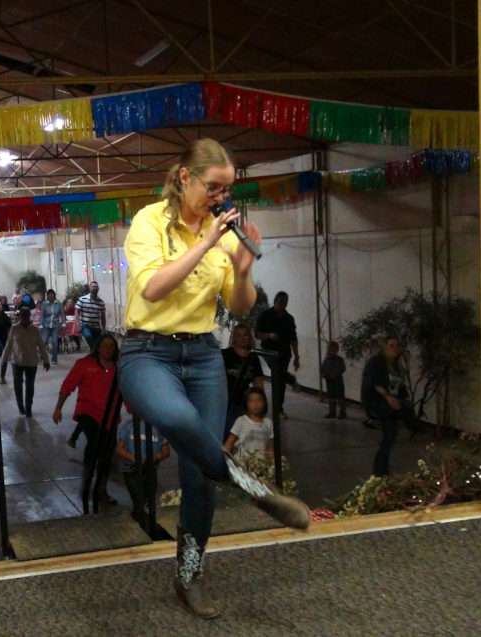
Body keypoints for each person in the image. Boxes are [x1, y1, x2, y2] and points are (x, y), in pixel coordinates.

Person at [118, 138, 309, 619]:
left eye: (227, 188)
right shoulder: (149, 221)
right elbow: (155, 289)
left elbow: (241, 308)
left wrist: (243, 270)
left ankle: (189, 577)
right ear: (185, 178)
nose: (220, 196)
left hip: (203, 354)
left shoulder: (227, 235)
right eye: (213, 186)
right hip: (147, 352)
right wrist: (206, 240)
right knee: (180, 420)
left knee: (198, 477)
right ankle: (253, 488)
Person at [52, 333, 120, 512]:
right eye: (104, 345)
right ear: (98, 347)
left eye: (111, 346)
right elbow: (68, 386)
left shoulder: (119, 368)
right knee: (94, 445)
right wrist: (58, 407)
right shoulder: (84, 364)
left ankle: (101, 489)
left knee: (108, 453)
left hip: (111, 416)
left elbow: (126, 392)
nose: (108, 349)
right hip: (88, 413)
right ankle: (87, 483)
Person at [362, 336, 416, 476]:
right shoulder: (376, 362)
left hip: (391, 404)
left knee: (390, 436)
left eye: (397, 346)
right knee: (391, 433)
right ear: (384, 347)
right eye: (391, 345)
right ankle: (380, 471)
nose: (395, 348)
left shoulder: (396, 365)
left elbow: (400, 386)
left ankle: (380, 470)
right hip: (379, 402)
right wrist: (388, 397)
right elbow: (375, 383)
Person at [116, 419, 170, 525]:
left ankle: (141, 520)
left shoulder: (159, 428)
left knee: (148, 497)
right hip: (131, 469)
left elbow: (166, 451)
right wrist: (133, 458)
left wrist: (154, 457)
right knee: (138, 498)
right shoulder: (128, 426)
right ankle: (140, 521)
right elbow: (119, 448)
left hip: (150, 469)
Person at [256, 291, 300, 418]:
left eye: (285, 303)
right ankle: (290, 380)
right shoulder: (265, 315)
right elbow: (257, 334)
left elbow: (293, 339)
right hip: (269, 351)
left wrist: (297, 356)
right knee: (278, 374)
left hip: (284, 352)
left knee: (279, 379)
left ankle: (279, 408)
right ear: (276, 301)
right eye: (280, 302)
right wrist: (269, 335)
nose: (283, 305)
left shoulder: (289, 318)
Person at [1, 308, 50, 417]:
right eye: (22, 316)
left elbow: (41, 346)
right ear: (19, 317)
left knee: (30, 386)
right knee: (18, 386)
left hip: (31, 362)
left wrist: (46, 360)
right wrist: (3, 361)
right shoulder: (14, 329)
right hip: (17, 362)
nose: (24, 318)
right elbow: (8, 346)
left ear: (29, 316)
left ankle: (28, 407)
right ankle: (20, 406)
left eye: (26, 316)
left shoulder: (35, 330)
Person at [221, 324, 266, 436]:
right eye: (239, 335)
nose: (242, 338)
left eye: (245, 335)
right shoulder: (225, 355)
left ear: (249, 337)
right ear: (234, 338)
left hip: (243, 400)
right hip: (225, 400)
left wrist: (259, 404)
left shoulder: (253, 358)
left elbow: (258, 382)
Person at [224, 387, 273, 460]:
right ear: (246, 404)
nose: (255, 404)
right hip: (241, 463)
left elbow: (270, 447)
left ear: (264, 403)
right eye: (251, 401)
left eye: (259, 400)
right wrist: (225, 459)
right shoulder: (241, 421)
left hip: (260, 464)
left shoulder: (268, 423)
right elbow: (229, 443)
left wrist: (271, 462)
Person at [75, 281, 106, 351]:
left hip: (96, 326)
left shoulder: (101, 302)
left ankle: (93, 354)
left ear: (98, 289)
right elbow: (77, 312)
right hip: (85, 325)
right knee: (88, 336)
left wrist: (103, 328)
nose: (95, 288)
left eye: (96, 287)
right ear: (90, 288)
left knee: (97, 344)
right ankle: (93, 351)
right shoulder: (82, 299)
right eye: (93, 287)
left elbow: (103, 316)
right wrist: (78, 324)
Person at [321, 340, 347, 419]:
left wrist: (335, 374)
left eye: (333, 349)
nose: (331, 351)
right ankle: (332, 412)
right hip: (329, 381)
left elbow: (342, 368)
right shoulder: (326, 359)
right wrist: (324, 374)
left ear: (337, 350)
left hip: (338, 381)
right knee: (331, 397)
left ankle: (342, 413)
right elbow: (323, 368)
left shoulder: (339, 359)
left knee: (340, 397)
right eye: (330, 349)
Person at [39, 289, 65, 365]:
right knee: (44, 342)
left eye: (52, 294)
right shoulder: (44, 304)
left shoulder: (59, 304)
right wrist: (41, 324)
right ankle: (42, 356)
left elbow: (62, 314)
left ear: (54, 295)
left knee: (55, 342)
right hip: (46, 326)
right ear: (47, 296)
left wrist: (63, 323)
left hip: (55, 326)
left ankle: (54, 359)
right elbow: (42, 315)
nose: (51, 296)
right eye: (49, 295)